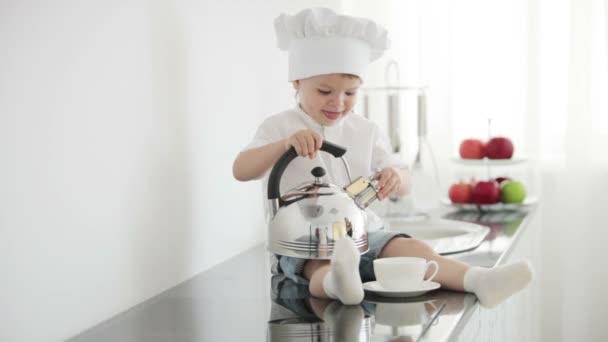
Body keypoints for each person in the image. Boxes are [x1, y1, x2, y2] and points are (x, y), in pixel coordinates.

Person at [233, 7, 533, 308]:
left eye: (350, 93)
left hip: (364, 233)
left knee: (411, 247)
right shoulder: (279, 126)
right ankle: (338, 282)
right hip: (302, 242)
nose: (338, 102)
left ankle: (480, 280)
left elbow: (405, 184)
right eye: (325, 91)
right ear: (297, 81)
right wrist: (284, 145)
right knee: (318, 265)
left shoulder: (366, 130)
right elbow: (241, 170)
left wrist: (395, 177)